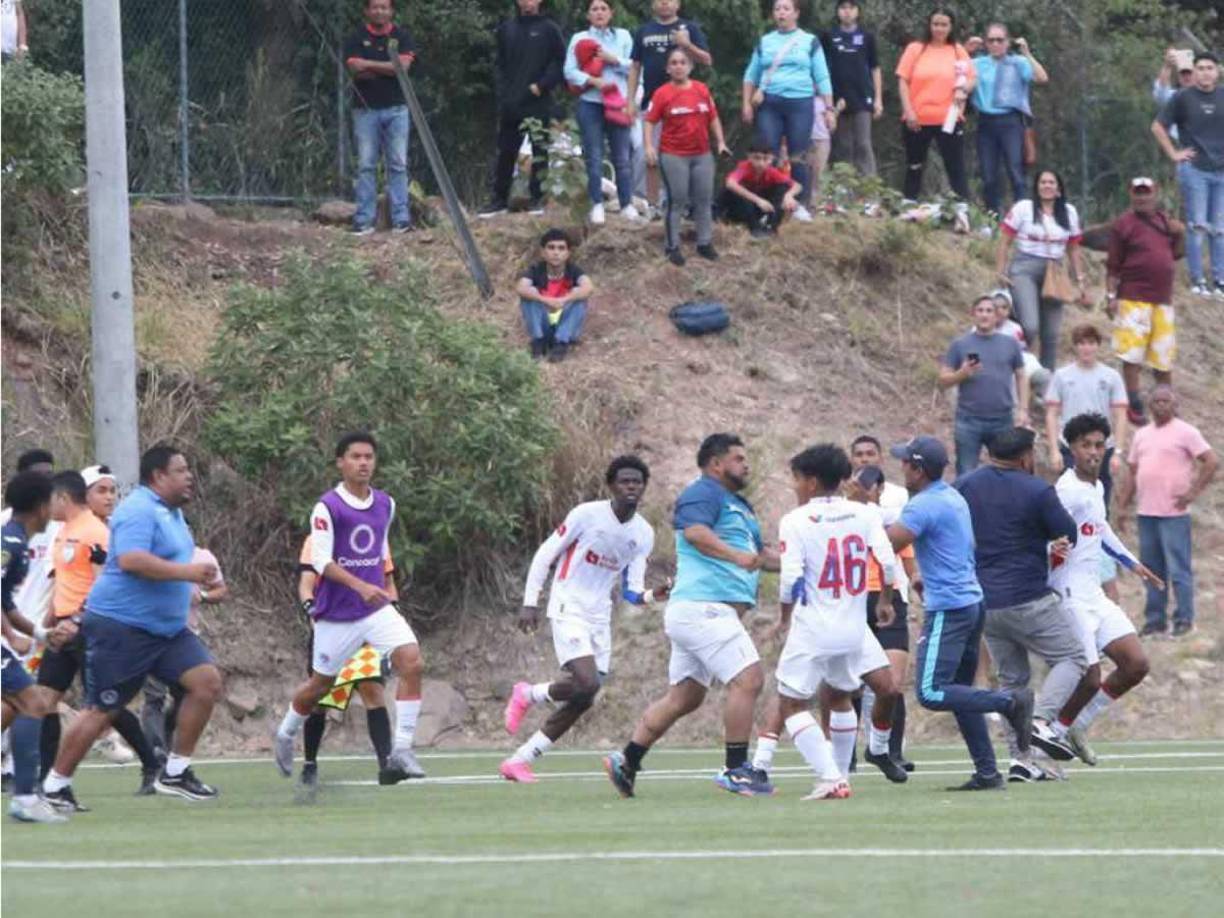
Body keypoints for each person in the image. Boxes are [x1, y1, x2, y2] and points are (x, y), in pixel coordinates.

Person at [41, 445, 225, 804]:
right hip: (123, 627)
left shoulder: (171, 514)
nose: (189, 476)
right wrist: (188, 573)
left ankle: (174, 773)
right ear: (158, 476)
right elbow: (130, 560)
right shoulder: (138, 510)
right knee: (101, 709)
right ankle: (55, 786)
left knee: (206, 683)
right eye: (181, 470)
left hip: (166, 631)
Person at [604, 433, 778, 798]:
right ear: (716, 464)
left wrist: (807, 562)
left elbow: (760, 554)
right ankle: (736, 770)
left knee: (685, 697)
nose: (746, 465)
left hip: (700, 611)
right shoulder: (703, 493)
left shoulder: (739, 505)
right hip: (704, 608)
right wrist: (735, 556)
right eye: (738, 458)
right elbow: (695, 533)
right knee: (749, 680)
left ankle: (628, 759)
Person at [501, 456, 666, 783]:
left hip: (598, 615)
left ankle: (520, 758)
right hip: (568, 604)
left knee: (585, 696)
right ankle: (529, 695)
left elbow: (632, 591)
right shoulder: (586, 515)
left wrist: (653, 595)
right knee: (587, 682)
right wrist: (530, 602)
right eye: (625, 481)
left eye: (637, 482)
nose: (631, 486)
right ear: (611, 486)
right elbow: (546, 554)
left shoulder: (643, 533)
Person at [274, 432, 426, 785]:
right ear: (340, 462)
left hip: (375, 611)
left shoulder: (386, 504)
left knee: (412, 660)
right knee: (319, 687)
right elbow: (322, 561)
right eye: (355, 457)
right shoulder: (327, 507)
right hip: (337, 614)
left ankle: (401, 749)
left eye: (369, 457)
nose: (363, 463)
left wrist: (381, 589)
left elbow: (378, 551)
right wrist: (360, 586)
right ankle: (285, 733)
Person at [885, 436, 1032, 791]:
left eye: (905, 462)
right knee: (960, 690)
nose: (901, 466)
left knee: (932, 692)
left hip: (949, 609)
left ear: (918, 470)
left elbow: (884, 545)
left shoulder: (922, 506)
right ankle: (987, 772)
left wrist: (856, 518)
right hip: (970, 602)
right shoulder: (951, 497)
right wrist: (924, 576)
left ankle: (1009, 702)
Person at [762, 445, 907, 801]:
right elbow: (887, 563)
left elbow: (790, 579)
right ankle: (842, 775)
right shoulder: (864, 514)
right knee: (842, 695)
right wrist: (886, 601)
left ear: (811, 482)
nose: (794, 487)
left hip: (815, 625)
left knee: (791, 703)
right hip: (855, 625)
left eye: (796, 480)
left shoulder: (795, 520)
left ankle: (830, 777)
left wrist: (783, 619)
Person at [953, 427, 1088, 782]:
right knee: (1072, 658)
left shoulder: (965, 485)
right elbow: (1067, 533)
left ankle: (1021, 760)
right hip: (1027, 597)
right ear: (1026, 456)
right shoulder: (1037, 489)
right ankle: (1042, 720)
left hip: (984, 601)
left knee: (1012, 680)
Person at [36, 469, 164, 812]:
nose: (109, 497)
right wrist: (49, 623)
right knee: (45, 701)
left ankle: (152, 764)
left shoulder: (96, 533)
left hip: (89, 628)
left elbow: (104, 585)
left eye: (112, 491)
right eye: (102, 490)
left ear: (63, 498)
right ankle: (46, 783)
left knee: (104, 705)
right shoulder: (64, 532)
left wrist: (77, 620)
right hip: (63, 630)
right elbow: (64, 581)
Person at [1047, 413, 1163, 766]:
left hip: (1093, 592)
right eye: (1086, 445)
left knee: (1136, 664)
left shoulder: (1095, 488)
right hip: (1068, 593)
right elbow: (1040, 533)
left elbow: (1101, 530)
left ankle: (1076, 725)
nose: (1094, 452)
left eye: (1099, 445)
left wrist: (1133, 563)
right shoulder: (1065, 492)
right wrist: (1049, 550)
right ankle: (1049, 736)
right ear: (1072, 448)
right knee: (1089, 675)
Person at [1115, 387, 1217, 638]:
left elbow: (1211, 460)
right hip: (1146, 512)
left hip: (1174, 513)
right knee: (1151, 569)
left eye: (1166, 401)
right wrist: (1122, 507)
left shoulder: (1186, 432)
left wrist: (1192, 493)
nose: (1161, 406)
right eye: (1156, 401)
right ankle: (1155, 621)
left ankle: (1184, 619)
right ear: (1149, 405)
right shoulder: (1141, 435)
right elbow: (1133, 473)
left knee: (1178, 568)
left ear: (1174, 405)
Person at [296, 535, 392, 787]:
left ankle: (387, 764)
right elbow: (306, 585)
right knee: (321, 697)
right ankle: (310, 764)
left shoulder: (374, 538)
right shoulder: (316, 539)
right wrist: (312, 610)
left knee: (372, 691)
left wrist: (389, 616)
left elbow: (389, 585)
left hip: (365, 629)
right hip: (332, 629)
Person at [2, 471, 66, 823]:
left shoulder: (18, 544)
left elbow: (6, 604)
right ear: (42, 506)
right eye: (53, 501)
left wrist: (40, 634)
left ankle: (27, 795)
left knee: (19, 705)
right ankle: (26, 797)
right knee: (33, 703)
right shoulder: (8, 544)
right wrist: (11, 637)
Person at [741, 0, 835, 223]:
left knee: (798, 154)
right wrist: (746, 103)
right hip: (770, 103)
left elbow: (822, 76)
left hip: (800, 103)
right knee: (767, 154)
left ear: (796, 13)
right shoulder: (766, 41)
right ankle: (768, 203)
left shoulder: (809, 41)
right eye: (777, 9)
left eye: (786, 9)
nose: (781, 13)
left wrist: (829, 108)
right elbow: (750, 74)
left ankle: (798, 203)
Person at [1106, 177, 1184, 427]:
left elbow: (1178, 253)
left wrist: (1180, 232)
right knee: (1132, 355)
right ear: (1131, 194)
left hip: (1162, 299)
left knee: (1163, 357)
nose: (1142, 197)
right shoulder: (1123, 225)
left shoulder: (1165, 222)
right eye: (1137, 193)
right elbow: (1113, 265)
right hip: (1133, 297)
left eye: (1146, 193)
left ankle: (1167, 402)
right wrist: (1110, 297)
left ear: (1155, 193)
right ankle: (1134, 401)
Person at [478, 0, 566, 218]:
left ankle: (537, 199)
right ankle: (499, 200)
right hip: (511, 103)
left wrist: (542, 85)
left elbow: (560, 62)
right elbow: (499, 63)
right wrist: (503, 92)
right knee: (506, 152)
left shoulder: (550, 29)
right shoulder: (507, 28)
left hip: (538, 102)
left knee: (540, 151)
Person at [644, 48, 729, 266]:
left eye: (683, 62)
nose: (678, 66)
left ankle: (705, 243)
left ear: (690, 67)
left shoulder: (701, 89)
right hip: (674, 154)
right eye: (674, 63)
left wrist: (720, 141)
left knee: (703, 199)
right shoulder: (662, 93)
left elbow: (713, 117)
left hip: (701, 153)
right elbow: (650, 120)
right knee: (677, 199)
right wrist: (648, 146)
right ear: (668, 68)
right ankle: (672, 246)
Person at [996, 169, 1087, 369]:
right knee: (1029, 325)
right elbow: (1004, 241)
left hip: (1055, 270)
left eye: (1051, 183)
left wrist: (1080, 280)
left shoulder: (1069, 212)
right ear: (1037, 187)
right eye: (1043, 182)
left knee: (1051, 334)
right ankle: (1016, 366)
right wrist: (1000, 271)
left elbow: (1073, 249)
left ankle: (1046, 384)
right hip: (1024, 268)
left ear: (1059, 189)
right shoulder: (1023, 208)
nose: (1047, 186)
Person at [1152, 52, 1224, 299]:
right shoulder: (1183, 97)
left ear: (1217, 71)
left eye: (1210, 68)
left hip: (1221, 172)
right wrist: (1173, 153)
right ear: (1194, 72)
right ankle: (1198, 280)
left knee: (1220, 227)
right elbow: (1158, 126)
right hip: (1195, 171)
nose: (1205, 72)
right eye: (1200, 68)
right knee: (1197, 225)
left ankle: (1219, 279)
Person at [628, 0, 712, 209]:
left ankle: (675, 201)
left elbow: (706, 60)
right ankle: (644, 200)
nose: (664, 3)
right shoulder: (644, 31)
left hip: (685, 104)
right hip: (651, 102)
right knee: (645, 153)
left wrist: (686, 44)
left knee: (678, 156)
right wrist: (630, 101)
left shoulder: (689, 28)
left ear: (678, 4)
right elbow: (635, 67)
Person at [344, 0, 416, 236]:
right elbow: (355, 67)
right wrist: (387, 66)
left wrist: (370, 64)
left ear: (391, 11)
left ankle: (401, 219)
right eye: (375, 7)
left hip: (397, 109)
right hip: (365, 111)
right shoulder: (356, 37)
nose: (379, 11)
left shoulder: (402, 36)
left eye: (384, 7)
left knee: (397, 164)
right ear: (367, 10)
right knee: (366, 165)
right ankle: (364, 220)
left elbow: (402, 67)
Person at [564, 0, 639, 226]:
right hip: (591, 102)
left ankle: (626, 204)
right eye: (594, 9)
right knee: (594, 155)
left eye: (603, 8)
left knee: (622, 157)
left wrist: (613, 59)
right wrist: (592, 80)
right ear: (588, 15)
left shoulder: (624, 36)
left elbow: (634, 66)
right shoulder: (579, 38)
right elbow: (569, 71)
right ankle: (597, 203)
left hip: (619, 101)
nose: (599, 13)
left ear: (611, 13)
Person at [895, 7, 975, 215]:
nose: (939, 29)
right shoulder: (916, 49)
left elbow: (971, 77)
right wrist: (908, 110)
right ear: (929, 26)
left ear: (951, 27)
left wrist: (964, 90)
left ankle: (961, 209)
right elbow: (903, 80)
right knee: (914, 164)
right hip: (917, 118)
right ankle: (909, 203)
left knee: (954, 164)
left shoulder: (957, 50)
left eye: (944, 24)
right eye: (936, 24)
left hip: (949, 117)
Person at [939, 294, 1027, 475]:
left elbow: (1021, 376)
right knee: (965, 473)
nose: (984, 315)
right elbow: (943, 380)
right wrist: (962, 374)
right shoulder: (960, 344)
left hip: (1003, 419)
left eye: (989, 311)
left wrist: (1023, 409)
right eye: (980, 310)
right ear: (973, 314)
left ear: (997, 316)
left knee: (1007, 472)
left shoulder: (1010, 344)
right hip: (968, 420)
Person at [966, 23, 1047, 216]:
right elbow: (955, 73)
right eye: (991, 40)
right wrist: (965, 51)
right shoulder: (977, 63)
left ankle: (1023, 218)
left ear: (1007, 42)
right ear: (985, 43)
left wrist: (1027, 53)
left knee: (1016, 172)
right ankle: (992, 218)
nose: (995, 44)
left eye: (1000, 40)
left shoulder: (1017, 62)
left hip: (1011, 121)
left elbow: (1042, 78)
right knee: (988, 175)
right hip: (986, 122)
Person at [1044, 324, 1128, 508]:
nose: (1086, 348)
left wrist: (1118, 453)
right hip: (1071, 446)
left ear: (1097, 345)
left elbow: (1120, 415)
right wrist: (1054, 449)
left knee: (1099, 502)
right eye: (1081, 343)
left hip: (1101, 447)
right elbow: (1051, 414)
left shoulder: (1111, 376)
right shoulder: (1062, 376)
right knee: (1069, 501)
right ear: (1075, 346)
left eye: (1091, 343)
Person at [821, 0, 882, 176]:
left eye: (851, 8)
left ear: (857, 11)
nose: (847, 12)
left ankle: (869, 189)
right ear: (837, 11)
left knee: (863, 143)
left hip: (862, 97)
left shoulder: (867, 36)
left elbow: (875, 68)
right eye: (843, 8)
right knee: (842, 145)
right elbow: (821, 67)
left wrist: (878, 99)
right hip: (836, 97)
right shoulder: (828, 35)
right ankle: (844, 191)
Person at [515, 228, 594, 362]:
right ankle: (538, 342)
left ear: (568, 253)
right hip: (544, 326)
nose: (556, 253)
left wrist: (565, 299)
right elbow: (521, 288)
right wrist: (545, 300)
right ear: (543, 252)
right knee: (528, 296)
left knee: (580, 298)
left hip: (566, 327)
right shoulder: (535, 270)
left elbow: (588, 287)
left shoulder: (574, 270)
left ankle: (561, 344)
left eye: (561, 248)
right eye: (551, 248)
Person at [721, 141, 801, 237]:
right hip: (740, 209)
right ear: (749, 157)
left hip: (758, 208)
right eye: (757, 158)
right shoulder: (744, 168)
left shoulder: (771, 171)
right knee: (735, 191)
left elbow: (797, 185)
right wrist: (758, 200)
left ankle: (771, 226)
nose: (761, 163)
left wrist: (788, 196)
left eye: (765, 159)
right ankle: (755, 228)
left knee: (782, 187)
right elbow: (730, 183)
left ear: (771, 159)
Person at [1153, 48, 1195, 142]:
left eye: (1190, 73)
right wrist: (1167, 66)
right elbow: (1161, 92)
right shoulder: (1174, 97)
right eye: (1183, 73)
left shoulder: (1212, 96)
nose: (1186, 76)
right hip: (1179, 146)